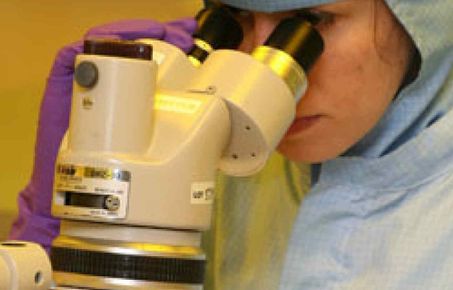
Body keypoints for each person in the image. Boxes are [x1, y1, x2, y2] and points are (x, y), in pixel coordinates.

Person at [9, 0, 453, 289]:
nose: (255, 63)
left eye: (310, 22)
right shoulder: (207, 159)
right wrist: (65, 232)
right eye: (233, 19)